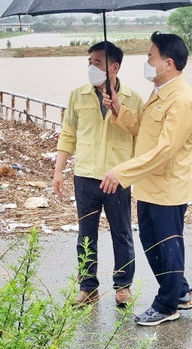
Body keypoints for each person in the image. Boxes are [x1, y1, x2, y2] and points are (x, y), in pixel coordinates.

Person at [100, 31, 192, 326]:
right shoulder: (159, 94)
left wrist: (121, 173)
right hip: (149, 187)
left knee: (167, 247)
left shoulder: (182, 100)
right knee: (152, 244)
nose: (146, 61)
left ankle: (167, 305)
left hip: (168, 189)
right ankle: (180, 291)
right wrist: (118, 108)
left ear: (167, 63)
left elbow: (165, 150)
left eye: (150, 57)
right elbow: (143, 129)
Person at [53, 41, 143, 307]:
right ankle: (87, 286)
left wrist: (116, 107)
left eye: (98, 62)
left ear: (113, 67)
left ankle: (123, 286)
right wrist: (59, 170)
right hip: (85, 175)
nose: (91, 66)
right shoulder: (77, 95)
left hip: (117, 177)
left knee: (122, 232)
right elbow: (68, 132)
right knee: (86, 234)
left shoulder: (133, 98)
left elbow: (139, 135)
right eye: (89, 62)